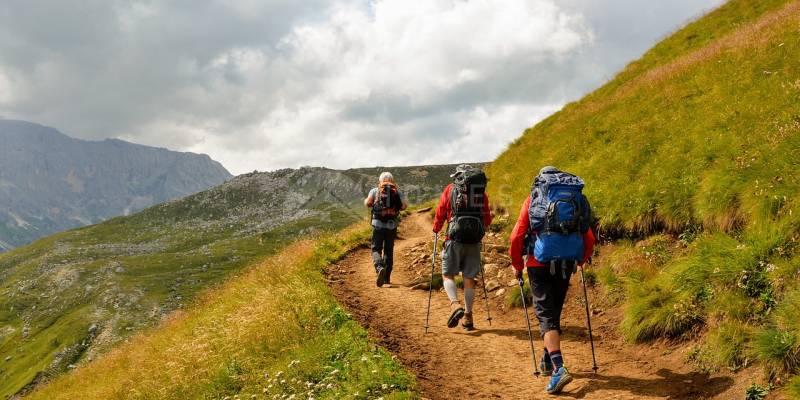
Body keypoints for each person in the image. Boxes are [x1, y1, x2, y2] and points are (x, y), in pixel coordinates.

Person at [509, 166, 595, 394]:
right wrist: (581, 260)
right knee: (554, 312)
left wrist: (517, 265)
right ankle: (547, 360)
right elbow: (589, 235)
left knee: (546, 315)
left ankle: (558, 368)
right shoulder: (575, 199)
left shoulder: (533, 199)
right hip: (566, 262)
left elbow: (517, 235)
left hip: (538, 263)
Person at [432, 164, 492, 330]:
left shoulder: (450, 189)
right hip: (473, 241)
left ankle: (454, 304)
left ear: (458, 176)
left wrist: (436, 228)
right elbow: (486, 218)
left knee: (447, 274)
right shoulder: (481, 192)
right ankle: (468, 316)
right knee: (469, 279)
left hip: (453, 238)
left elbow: (441, 211)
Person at [365, 172, 408, 287]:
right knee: (389, 251)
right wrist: (393, 209)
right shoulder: (396, 191)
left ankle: (379, 267)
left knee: (376, 249)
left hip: (377, 224)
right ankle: (387, 278)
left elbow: (368, 203)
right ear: (392, 180)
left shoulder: (375, 190)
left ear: (380, 181)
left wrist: (375, 205)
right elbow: (404, 206)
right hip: (392, 225)